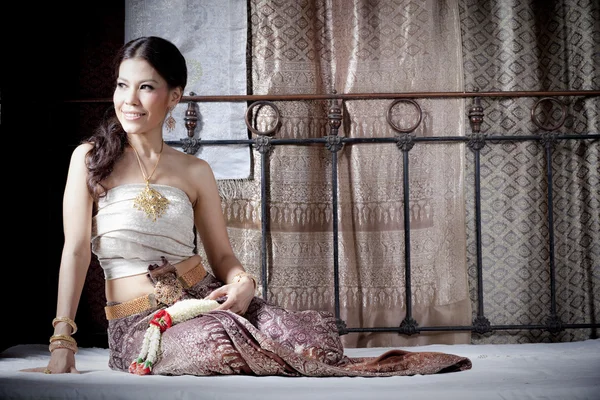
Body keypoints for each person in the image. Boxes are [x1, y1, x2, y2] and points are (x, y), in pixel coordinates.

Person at [25, 36, 471, 377]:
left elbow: (221, 256)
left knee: (308, 338)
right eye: (123, 85)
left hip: (206, 297)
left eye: (146, 87)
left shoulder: (194, 170)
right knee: (215, 344)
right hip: (142, 321)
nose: (129, 100)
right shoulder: (89, 159)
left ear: (174, 96)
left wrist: (243, 281)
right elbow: (76, 251)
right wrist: (62, 337)